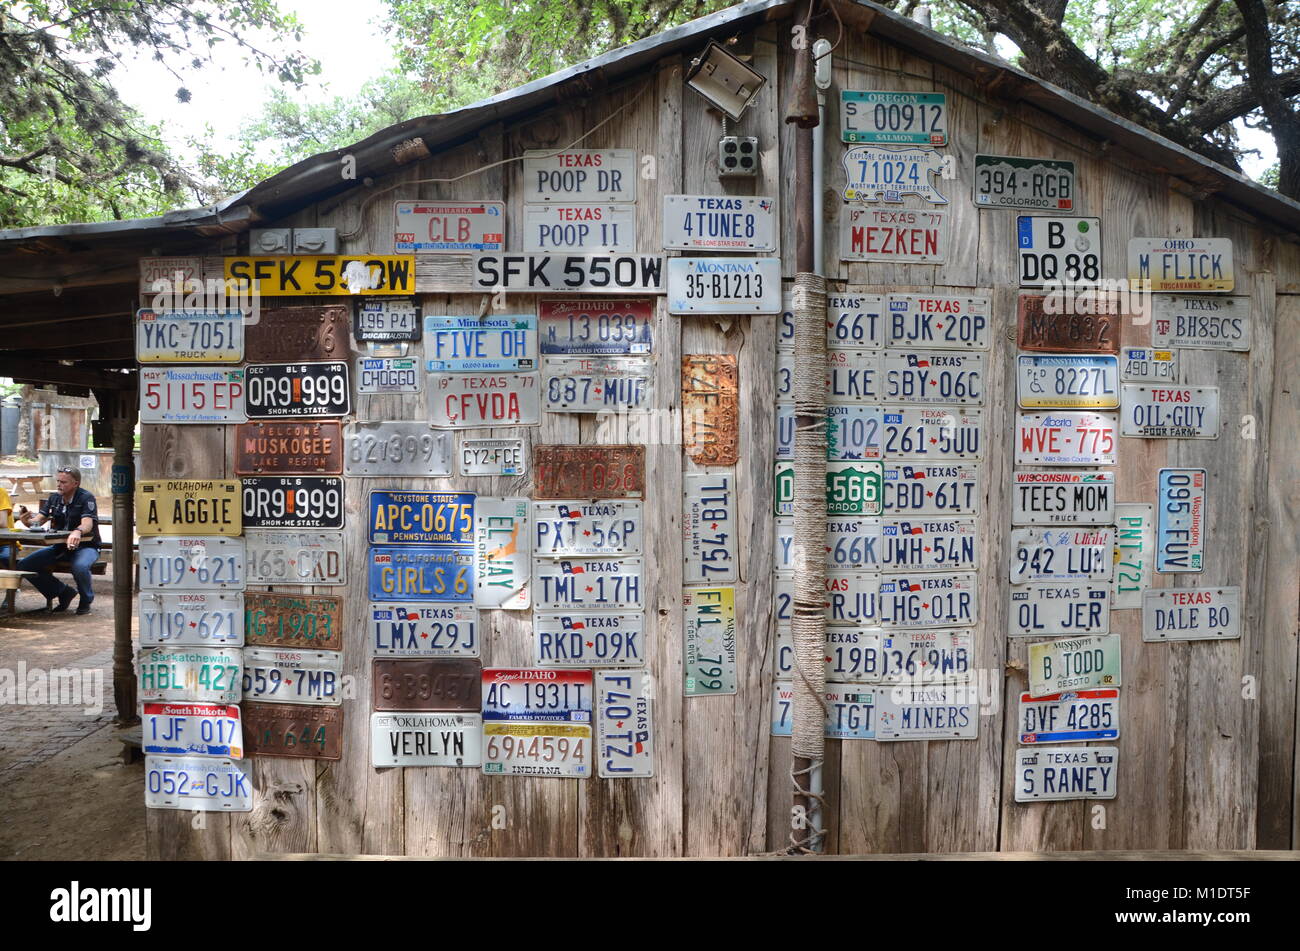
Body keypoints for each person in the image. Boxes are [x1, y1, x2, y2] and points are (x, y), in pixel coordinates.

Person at [17, 466, 100, 614]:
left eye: (64, 482)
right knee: (25, 565)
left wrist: (77, 532)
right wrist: (27, 521)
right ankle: (63, 592)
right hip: (59, 547)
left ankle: (86, 600)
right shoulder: (54, 498)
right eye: (58, 481)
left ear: (76, 483)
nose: (59, 485)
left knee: (80, 567)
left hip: (86, 546)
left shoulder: (86, 497)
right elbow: (38, 521)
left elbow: (87, 523)